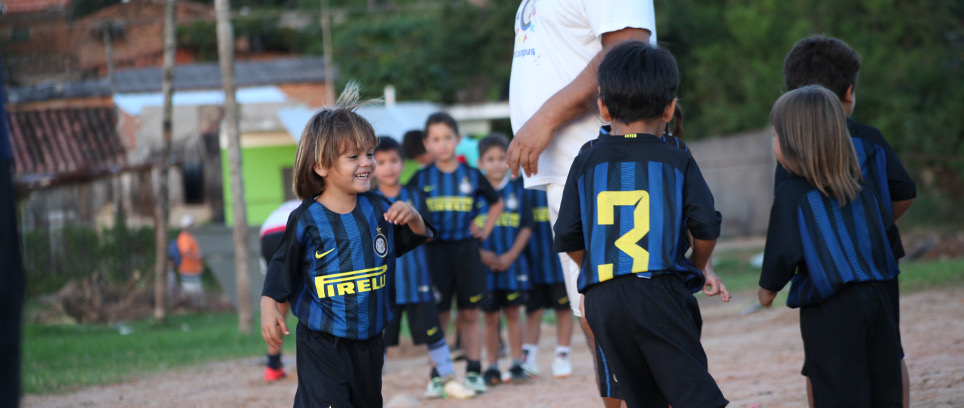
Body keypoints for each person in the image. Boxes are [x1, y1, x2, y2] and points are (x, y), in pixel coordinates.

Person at [553, 41, 730, 408]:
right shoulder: (675, 156)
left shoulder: (586, 160)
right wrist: (694, 269)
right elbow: (706, 226)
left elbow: (567, 234)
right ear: (669, 108)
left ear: (602, 107)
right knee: (694, 396)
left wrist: (594, 274)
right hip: (659, 291)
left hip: (603, 301)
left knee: (641, 398)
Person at [507, 1, 656, 405]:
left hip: (608, 170)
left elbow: (628, 47)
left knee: (627, 319)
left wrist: (546, 117)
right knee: (594, 318)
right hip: (570, 172)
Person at [259, 84, 433, 408]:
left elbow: (418, 236)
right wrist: (269, 305)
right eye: (353, 156)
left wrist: (413, 217)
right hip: (322, 342)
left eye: (369, 154)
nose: (366, 162)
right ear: (322, 166)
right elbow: (281, 266)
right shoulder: (307, 219)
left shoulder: (378, 208)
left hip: (369, 342)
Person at [778, 35, 916, 407]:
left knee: (821, 364)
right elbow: (904, 191)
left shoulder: (791, 153)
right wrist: (868, 228)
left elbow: (788, 219)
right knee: (890, 353)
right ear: (849, 92)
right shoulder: (869, 139)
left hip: (821, 276)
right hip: (879, 266)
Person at [407, 112, 505, 393]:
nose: (442, 144)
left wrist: (484, 229)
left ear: (458, 140)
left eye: (447, 138)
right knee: (440, 315)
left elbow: (495, 204)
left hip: (466, 252)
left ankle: (474, 371)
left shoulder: (472, 176)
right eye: (436, 139)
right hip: (434, 254)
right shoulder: (420, 178)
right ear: (427, 143)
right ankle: (438, 375)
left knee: (470, 313)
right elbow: (407, 210)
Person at [372, 137, 475, 400]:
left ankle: (449, 379)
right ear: (372, 166)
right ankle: (368, 389)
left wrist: (410, 219)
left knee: (435, 334)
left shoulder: (415, 195)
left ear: (403, 163)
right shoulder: (367, 201)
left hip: (417, 280)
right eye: (381, 162)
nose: (389, 167)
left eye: (394, 161)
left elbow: (428, 233)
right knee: (376, 341)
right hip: (383, 286)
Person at [473, 134, 534, 386]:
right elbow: (465, 228)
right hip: (484, 267)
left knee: (512, 312)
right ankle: (492, 366)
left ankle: (517, 363)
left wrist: (510, 256)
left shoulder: (517, 191)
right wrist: (481, 254)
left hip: (511, 266)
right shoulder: (475, 194)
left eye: (501, 159)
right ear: (480, 163)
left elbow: (527, 227)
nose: (497, 164)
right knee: (490, 317)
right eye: (491, 159)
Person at [520, 188, 573, 379]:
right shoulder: (523, 187)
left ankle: (562, 354)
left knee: (564, 309)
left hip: (560, 262)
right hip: (533, 262)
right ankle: (528, 357)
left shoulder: (561, 183)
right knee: (533, 310)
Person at [258, 200, 300, 382]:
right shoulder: (323, 202)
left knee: (278, 300)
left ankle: (273, 366)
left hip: (268, 234)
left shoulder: (287, 205)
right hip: (292, 229)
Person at [176, 214, 203, 295]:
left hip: (195, 270)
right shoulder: (184, 237)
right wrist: (197, 258)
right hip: (188, 270)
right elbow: (186, 252)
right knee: (190, 293)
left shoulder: (191, 237)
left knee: (197, 293)